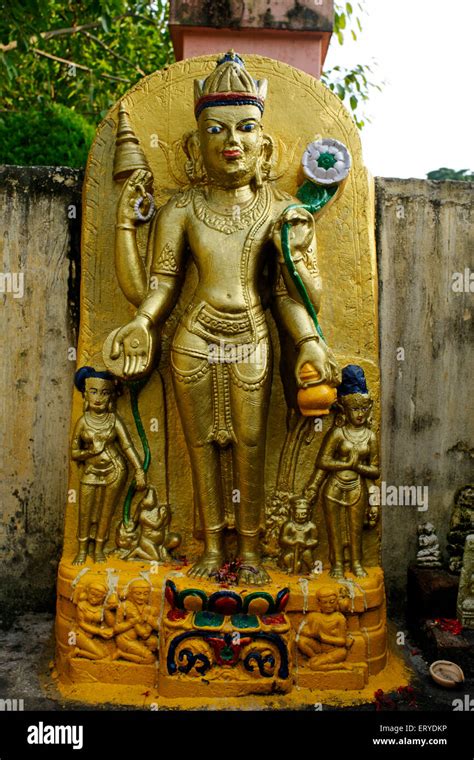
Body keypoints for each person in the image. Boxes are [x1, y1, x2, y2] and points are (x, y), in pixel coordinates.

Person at [107, 52, 339, 585]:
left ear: (265, 143)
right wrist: (143, 321)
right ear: (196, 145)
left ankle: (252, 552)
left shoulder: (281, 211)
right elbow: (161, 284)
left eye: (246, 127)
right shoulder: (181, 210)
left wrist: (306, 337)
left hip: (251, 337)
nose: (231, 140)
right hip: (194, 335)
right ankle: (212, 546)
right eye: (216, 128)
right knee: (202, 445)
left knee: (250, 445)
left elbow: (294, 296)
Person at [305, 365, 380, 578]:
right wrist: (347, 465)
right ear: (345, 410)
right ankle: (336, 563)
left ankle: (356, 563)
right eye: (355, 409)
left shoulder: (370, 437)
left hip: (357, 487)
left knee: (355, 530)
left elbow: (374, 471)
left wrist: (359, 469)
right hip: (334, 487)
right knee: (335, 530)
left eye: (364, 409)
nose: (360, 414)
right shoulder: (338, 433)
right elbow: (323, 461)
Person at [71, 366, 146, 564]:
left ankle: (98, 549)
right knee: (85, 511)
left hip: (115, 470)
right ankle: (81, 550)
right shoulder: (83, 422)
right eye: (94, 392)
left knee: (106, 512)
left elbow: (128, 446)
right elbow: (74, 452)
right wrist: (90, 452)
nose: (98, 398)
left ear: (111, 397)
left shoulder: (113, 420)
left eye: (104, 393)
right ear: (86, 394)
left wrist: (139, 470)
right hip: (90, 471)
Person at [297, 586, 353, 670]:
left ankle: (340, 665)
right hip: (318, 647)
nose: (328, 605)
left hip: (335, 650)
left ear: (336, 601)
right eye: (324, 602)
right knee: (300, 640)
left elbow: (342, 641)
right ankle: (315, 657)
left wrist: (323, 637)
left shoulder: (339, 618)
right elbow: (300, 630)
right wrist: (311, 633)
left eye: (332, 602)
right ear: (318, 603)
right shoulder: (313, 616)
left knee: (315, 666)